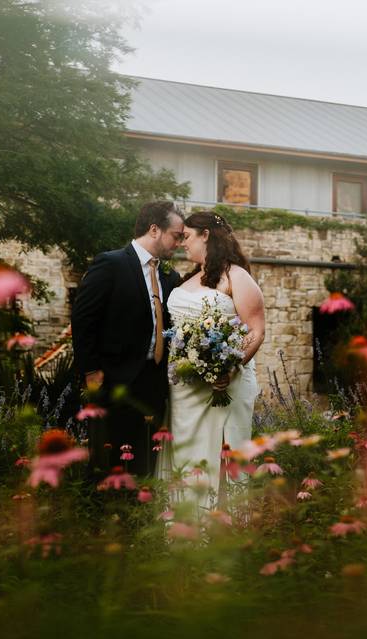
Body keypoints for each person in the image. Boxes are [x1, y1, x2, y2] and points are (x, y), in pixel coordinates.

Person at [158, 210, 265, 509]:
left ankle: (220, 527)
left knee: (221, 452)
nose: (183, 244)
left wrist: (230, 366)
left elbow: (256, 331)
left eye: (188, 237)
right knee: (186, 453)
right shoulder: (188, 278)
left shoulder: (237, 276)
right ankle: (184, 523)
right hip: (184, 388)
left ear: (206, 235)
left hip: (223, 385)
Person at [70, 201, 185, 476]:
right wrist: (90, 369)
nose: (179, 243)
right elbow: (83, 318)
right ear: (155, 229)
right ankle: (105, 513)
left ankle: (140, 515)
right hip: (113, 380)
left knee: (145, 461)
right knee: (110, 462)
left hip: (154, 383)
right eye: (176, 236)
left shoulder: (169, 276)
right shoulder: (111, 264)